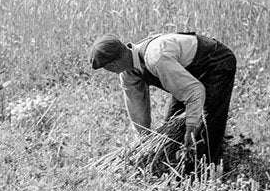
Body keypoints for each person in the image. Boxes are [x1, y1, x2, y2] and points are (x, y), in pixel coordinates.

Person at [90, 31, 237, 164]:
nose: (108, 71)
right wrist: (143, 145)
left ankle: (207, 170)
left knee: (206, 123)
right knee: (172, 126)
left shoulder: (156, 58)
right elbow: (137, 109)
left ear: (113, 64)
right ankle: (180, 164)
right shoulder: (128, 73)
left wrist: (191, 130)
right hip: (187, 71)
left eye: (106, 68)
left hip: (215, 62)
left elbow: (195, 92)